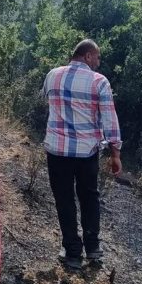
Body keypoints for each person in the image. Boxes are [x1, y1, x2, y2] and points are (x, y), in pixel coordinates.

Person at [42, 39, 122, 270]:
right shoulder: (99, 82)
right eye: (97, 57)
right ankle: (93, 247)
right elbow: (109, 117)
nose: (98, 62)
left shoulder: (52, 75)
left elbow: (48, 101)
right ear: (87, 56)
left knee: (64, 199)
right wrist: (115, 152)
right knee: (89, 197)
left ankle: (73, 252)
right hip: (86, 152)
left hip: (57, 150)